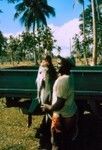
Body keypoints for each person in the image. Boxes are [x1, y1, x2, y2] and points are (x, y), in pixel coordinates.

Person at [41, 56, 78, 150]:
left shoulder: (62, 80)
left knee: (55, 142)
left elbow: (59, 104)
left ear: (67, 66)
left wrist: (47, 107)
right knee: (66, 140)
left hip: (61, 115)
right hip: (69, 113)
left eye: (60, 63)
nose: (57, 65)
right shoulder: (69, 76)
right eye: (57, 63)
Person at [36, 55, 57, 149]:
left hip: (48, 98)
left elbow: (48, 88)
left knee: (48, 118)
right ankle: (44, 136)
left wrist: (45, 102)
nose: (43, 62)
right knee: (47, 118)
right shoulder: (43, 69)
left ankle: (45, 138)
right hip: (45, 96)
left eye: (45, 60)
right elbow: (40, 84)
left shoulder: (49, 71)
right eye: (43, 60)